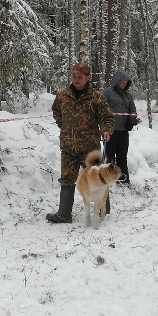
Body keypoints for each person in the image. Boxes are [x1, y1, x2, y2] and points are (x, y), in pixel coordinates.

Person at [46, 62, 115, 223]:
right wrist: (65, 127)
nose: (76, 79)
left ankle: (103, 207)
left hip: (89, 147)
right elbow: (56, 112)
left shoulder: (96, 96)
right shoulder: (63, 95)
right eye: (74, 76)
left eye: (80, 77)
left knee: (97, 177)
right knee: (67, 178)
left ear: (87, 78)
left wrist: (106, 130)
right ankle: (64, 213)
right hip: (68, 146)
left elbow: (106, 117)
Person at [105, 70, 139, 184]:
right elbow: (101, 107)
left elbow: (132, 108)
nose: (124, 84)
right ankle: (109, 178)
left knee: (122, 155)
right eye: (123, 81)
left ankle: (124, 179)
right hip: (111, 130)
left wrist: (132, 118)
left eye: (126, 82)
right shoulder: (107, 92)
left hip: (124, 130)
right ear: (117, 81)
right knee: (110, 156)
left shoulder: (127, 94)